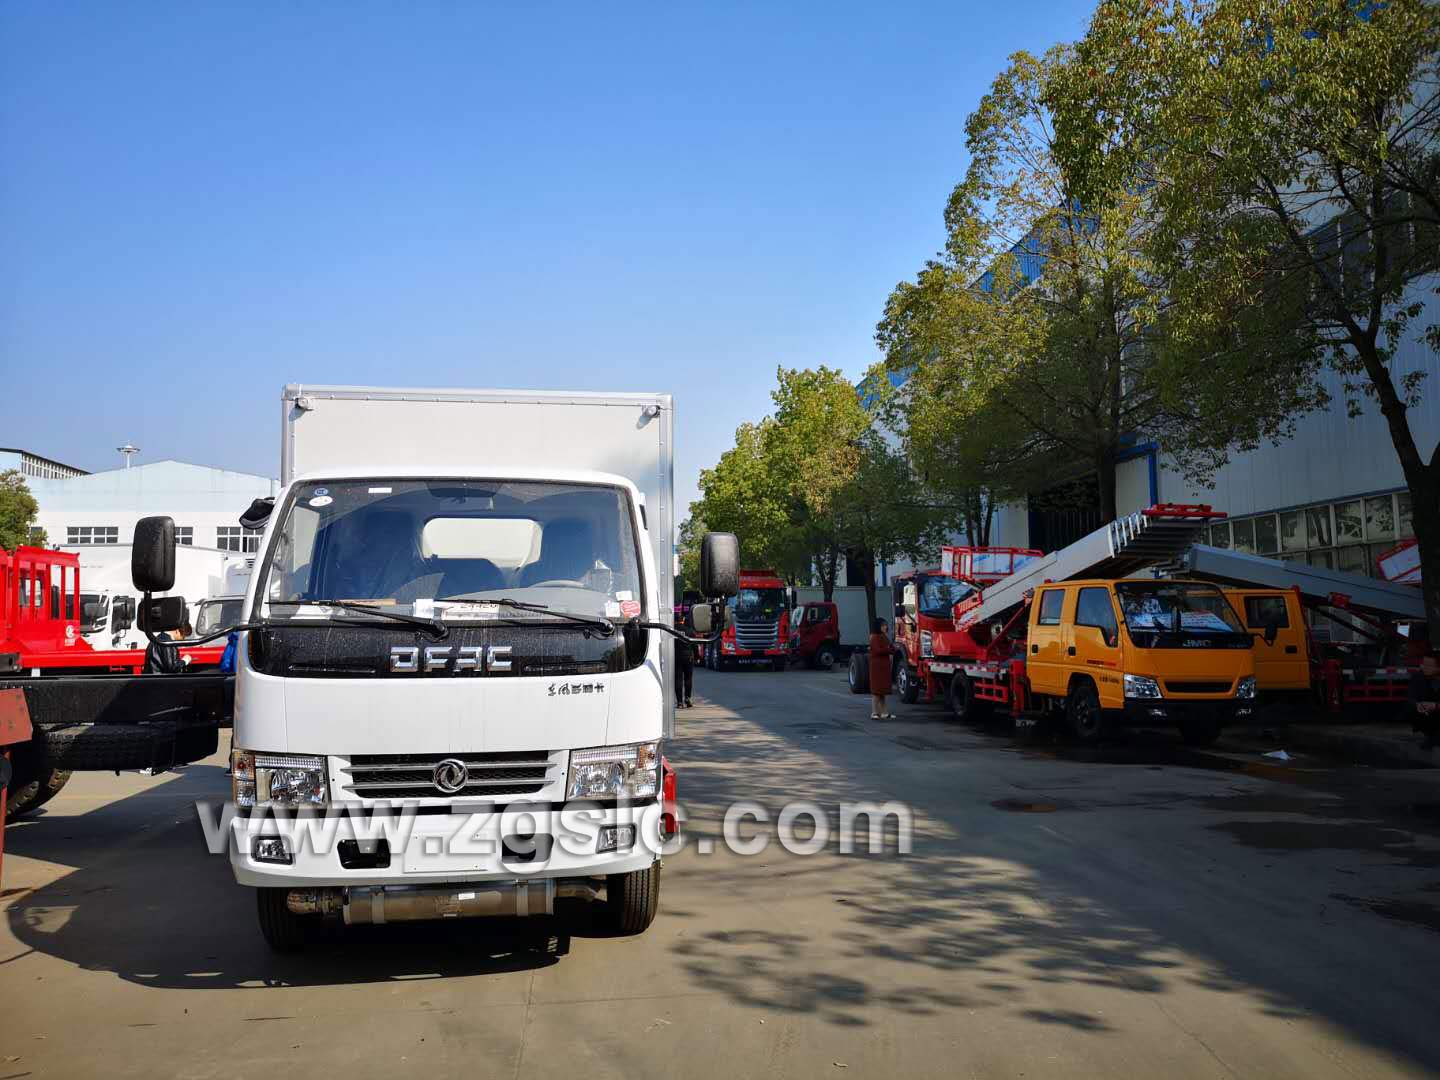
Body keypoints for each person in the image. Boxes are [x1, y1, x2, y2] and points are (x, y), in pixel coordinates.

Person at [1409, 651, 1440, 749]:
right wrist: (1417, 705)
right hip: (1427, 716)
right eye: (1423, 664)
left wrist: (1436, 706)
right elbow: (1410, 697)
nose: (1423, 667)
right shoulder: (1418, 677)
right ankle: (1430, 736)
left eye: (1428, 666)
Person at [868, 617, 895, 720]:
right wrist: (888, 649)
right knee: (876, 691)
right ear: (878, 626)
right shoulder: (874, 637)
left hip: (883, 666)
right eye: (883, 625)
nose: (885, 627)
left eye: (885, 625)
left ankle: (884, 712)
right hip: (877, 667)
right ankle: (874, 712)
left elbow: (891, 648)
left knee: (882, 692)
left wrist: (890, 649)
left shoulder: (884, 636)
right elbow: (877, 650)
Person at [675, 635, 696, 709]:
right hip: (688, 657)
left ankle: (679, 702)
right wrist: (697, 656)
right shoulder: (689, 631)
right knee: (688, 679)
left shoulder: (672, 630)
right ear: (683, 622)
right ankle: (688, 699)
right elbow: (694, 644)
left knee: (678, 679)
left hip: (676, 657)